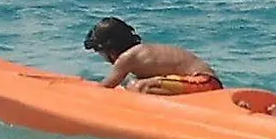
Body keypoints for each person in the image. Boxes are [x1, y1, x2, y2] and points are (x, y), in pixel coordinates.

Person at [83, 17, 224, 95]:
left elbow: (106, 87)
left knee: (138, 87)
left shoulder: (126, 58)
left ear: (110, 50)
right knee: (133, 83)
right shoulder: (140, 54)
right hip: (204, 82)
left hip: (204, 82)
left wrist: (80, 93)